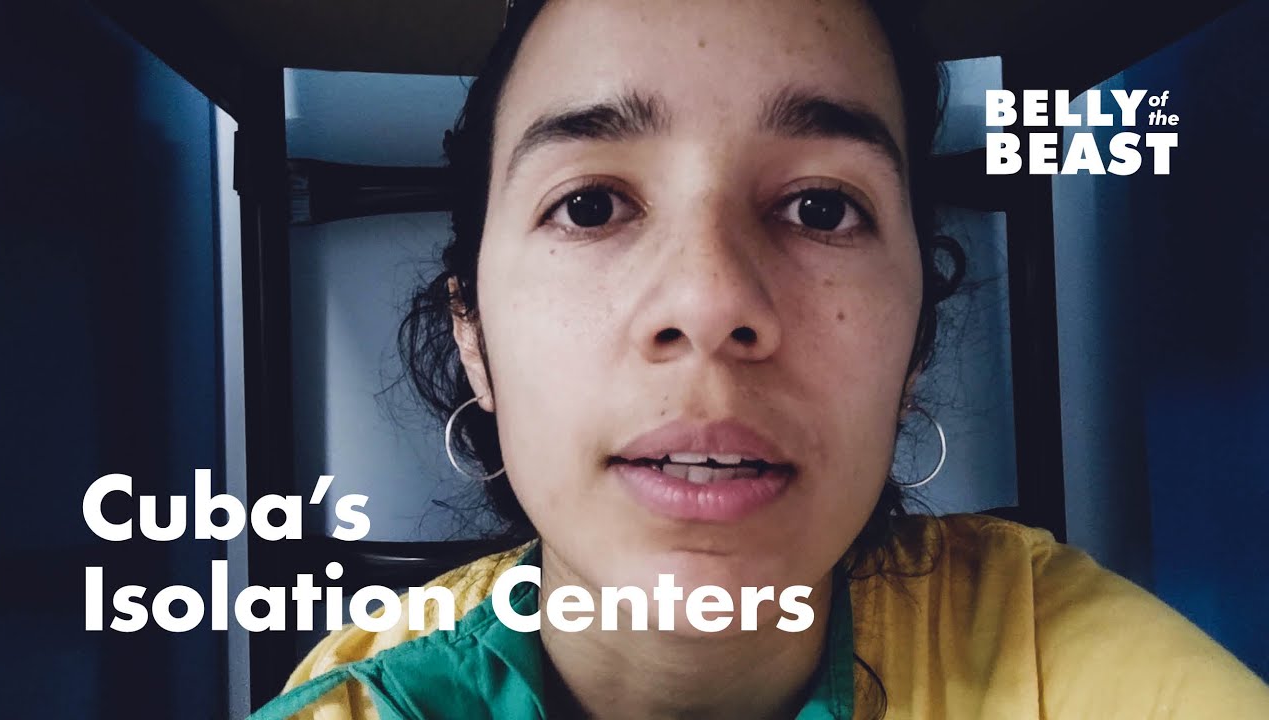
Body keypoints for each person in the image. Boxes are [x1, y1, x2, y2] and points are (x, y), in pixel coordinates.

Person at [250, 0, 1269, 717]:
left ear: (914, 344)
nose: (710, 302)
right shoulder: (360, 703)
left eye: (821, 208)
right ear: (473, 337)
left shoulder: (1057, 660)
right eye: (590, 205)